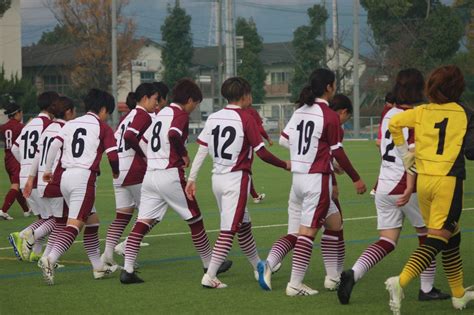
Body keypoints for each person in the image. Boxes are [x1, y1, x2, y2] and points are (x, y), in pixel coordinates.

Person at [337, 69, 449, 305]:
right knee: (428, 235)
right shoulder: (417, 116)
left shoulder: (388, 113)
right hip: (407, 185)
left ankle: (354, 273)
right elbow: (413, 153)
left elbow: (383, 145)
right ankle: (426, 288)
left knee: (387, 240)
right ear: (420, 90)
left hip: (384, 184)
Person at [257, 69, 366, 296]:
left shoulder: (301, 111)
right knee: (307, 233)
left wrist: (304, 155)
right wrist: (356, 178)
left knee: (334, 223)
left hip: (298, 180)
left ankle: (332, 277)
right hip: (316, 181)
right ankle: (295, 285)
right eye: (334, 84)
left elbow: (285, 140)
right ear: (329, 87)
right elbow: (339, 152)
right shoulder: (330, 116)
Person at [120, 78, 232, 284]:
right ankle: (209, 264)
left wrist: (153, 158)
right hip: (169, 174)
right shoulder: (179, 114)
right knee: (195, 219)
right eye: (195, 104)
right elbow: (173, 135)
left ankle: (127, 269)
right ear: (189, 100)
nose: (194, 108)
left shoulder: (159, 113)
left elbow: (143, 140)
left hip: (150, 176)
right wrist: (183, 155)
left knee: (142, 222)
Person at [185, 77, 290, 289]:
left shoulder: (214, 117)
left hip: (217, 180)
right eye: (250, 93)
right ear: (244, 96)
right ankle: (210, 275)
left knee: (243, 226)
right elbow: (261, 153)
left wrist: (192, 178)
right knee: (229, 230)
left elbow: (202, 149)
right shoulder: (245, 118)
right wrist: (285, 164)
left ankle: (258, 265)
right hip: (236, 179)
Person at [385, 65, 474, 314]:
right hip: (448, 182)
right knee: (438, 237)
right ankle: (400, 281)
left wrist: (406, 155)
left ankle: (458, 295)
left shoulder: (421, 111)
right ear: (458, 87)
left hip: (424, 183)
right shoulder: (465, 113)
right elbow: (472, 152)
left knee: (452, 235)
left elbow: (395, 124)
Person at [38, 89, 120, 285]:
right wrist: (116, 171)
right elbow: (113, 155)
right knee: (75, 224)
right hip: (83, 179)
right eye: (107, 112)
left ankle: (98, 267)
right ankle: (50, 259)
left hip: (66, 177)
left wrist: (48, 169)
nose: (107, 116)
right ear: (102, 109)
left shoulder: (71, 124)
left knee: (93, 222)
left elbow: (54, 146)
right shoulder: (102, 127)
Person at [102, 83, 158, 267]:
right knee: (153, 214)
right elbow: (130, 137)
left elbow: (117, 138)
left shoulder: (127, 116)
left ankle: (108, 255)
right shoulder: (143, 115)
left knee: (123, 216)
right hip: (134, 170)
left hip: (119, 170)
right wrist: (145, 156)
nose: (156, 104)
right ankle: (128, 249)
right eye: (154, 99)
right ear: (145, 98)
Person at [22, 96, 76, 265]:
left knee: (56, 220)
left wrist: (31, 178)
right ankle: (32, 235)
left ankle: (46, 256)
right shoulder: (65, 128)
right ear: (68, 111)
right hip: (55, 179)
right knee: (60, 222)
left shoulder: (49, 128)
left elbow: (38, 155)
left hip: (42, 180)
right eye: (73, 111)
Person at [8, 92, 58, 261]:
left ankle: (36, 253)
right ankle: (22, 235)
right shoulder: (49, 125)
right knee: (54, 219)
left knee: (44, 218)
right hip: (37, 178)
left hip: (25, 177)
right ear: (52, 106)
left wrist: (25, 164)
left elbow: (15, 148)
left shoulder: (29, 125)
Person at [0, 102, 30, 220]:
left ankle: (26, 210)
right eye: (21, 112)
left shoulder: (3, 127)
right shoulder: (20, 127)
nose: (22, 114)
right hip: (15, 157)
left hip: (7, 158)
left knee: (16, 185)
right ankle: (3, 210)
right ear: (17, 113)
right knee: (16, 185)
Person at [246, 104, 273, 203]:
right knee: (245, 170)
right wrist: (268, 138)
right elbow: (259, 128)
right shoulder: (251, 111)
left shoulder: (230, 112)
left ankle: (254, 195)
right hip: (246, 146)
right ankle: (254, 196)